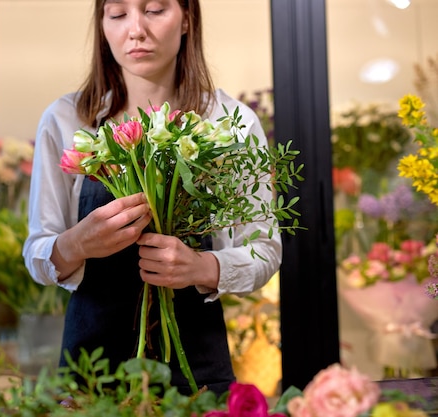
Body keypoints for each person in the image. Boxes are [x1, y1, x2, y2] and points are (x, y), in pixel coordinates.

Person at [22, 0, 282, 396]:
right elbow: (37, 251)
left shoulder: (232, 123)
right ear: (103, 24)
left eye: (155, 9)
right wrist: (76, 244)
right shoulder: (66, 119)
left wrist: (200, 267)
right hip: (90, 378)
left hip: (196, 375)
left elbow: (264, 250)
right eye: (118, 13)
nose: (136, 29)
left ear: (187, 20)